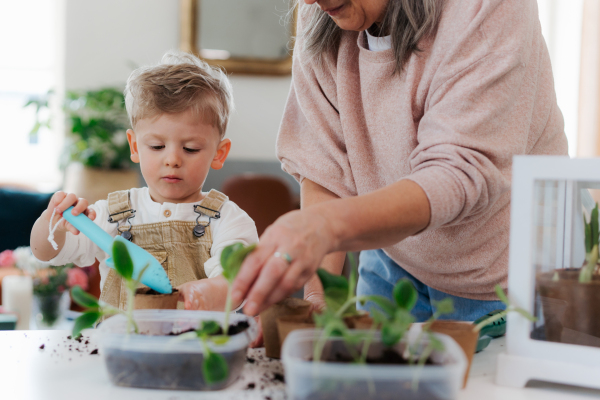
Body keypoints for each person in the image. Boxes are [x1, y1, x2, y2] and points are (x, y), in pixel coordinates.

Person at [231, 0, 568, 322]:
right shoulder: (322, 16)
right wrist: (316, 296)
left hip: (499, 278)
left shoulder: (488, 8)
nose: (308, 1)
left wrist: (326, 227)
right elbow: (325, 167)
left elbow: (457, 174)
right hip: (391, 259)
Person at [31, 51, 258, 312]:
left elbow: (240, 282)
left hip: (194, 348)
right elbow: (46, 253)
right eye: (157, 146)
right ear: (135, 146)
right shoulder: (112, 215)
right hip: (120, 348)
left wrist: (206, 291)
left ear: (219, 153)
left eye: (191, 149)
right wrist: (52, 223)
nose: (172, 159)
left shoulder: (228, 219)